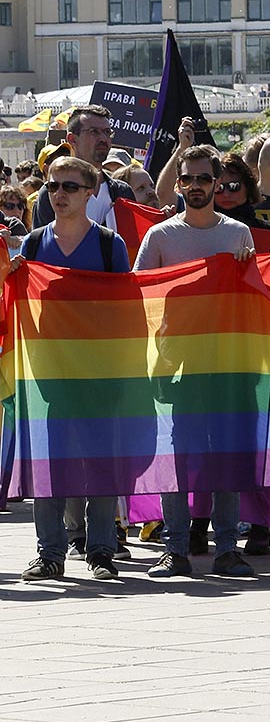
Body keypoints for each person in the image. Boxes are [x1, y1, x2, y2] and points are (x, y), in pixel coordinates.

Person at [134, 145, 258, 579]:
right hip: (177, 362)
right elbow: (139, 294)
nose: (195, 186)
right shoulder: (161, 236)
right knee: (178, 458)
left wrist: (262, 268)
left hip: (227, 361)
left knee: (224, 454)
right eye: (187, 179)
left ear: (217, 181)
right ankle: (176, 548)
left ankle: (227, 548)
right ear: (179, 182)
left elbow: (255, 296)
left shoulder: (238, 232)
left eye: (204, 179)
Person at [18, 156, 131, 582]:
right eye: (52, 186)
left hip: (100, 376)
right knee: (49, 468)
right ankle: (49, 553)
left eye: (68, 187)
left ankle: (101, 551)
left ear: (90, 192)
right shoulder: (31, 245)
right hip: (48, 376)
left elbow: (125, 312)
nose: (58, 194)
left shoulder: (109, 245)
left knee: (101, 465)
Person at [33, 105, 136, 228]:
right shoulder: (53, 191)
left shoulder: (122, 192)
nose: (103, 138)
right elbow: (42, 244)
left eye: (107, 132)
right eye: (94, 132)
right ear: (72, 139)